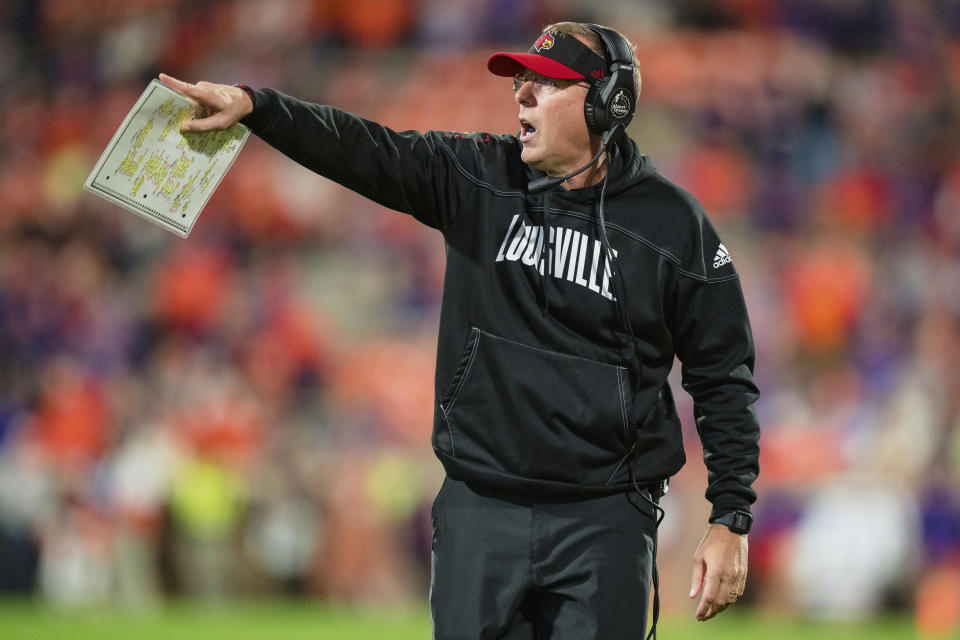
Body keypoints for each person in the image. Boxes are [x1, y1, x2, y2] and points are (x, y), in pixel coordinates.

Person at [160, 20, 760, 640]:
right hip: (482, 508)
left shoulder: (672, 226)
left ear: (609, 102)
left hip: (605, 518)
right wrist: (259, 107)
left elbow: (723, 378)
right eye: (521, 80)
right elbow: (366, 149)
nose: (522, 95)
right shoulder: (479, 176)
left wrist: (730, 516)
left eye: (546, 83)